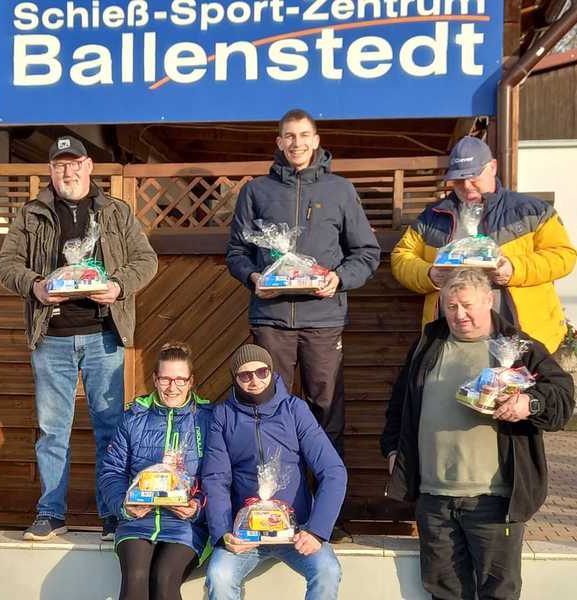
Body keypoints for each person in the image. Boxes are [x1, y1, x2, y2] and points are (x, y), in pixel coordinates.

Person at [0, 135, 157, 541]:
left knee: (110, 428)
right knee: (52, 431)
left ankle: (113, 513)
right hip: (51, 336)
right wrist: (35, 286)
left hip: (104, 335)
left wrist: (118, 286)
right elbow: (6, 263)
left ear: (88, 166)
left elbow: (146, 259)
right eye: (59, 164)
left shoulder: (116, 212)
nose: (67, 171)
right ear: (51, 170)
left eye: (74, 163)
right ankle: (51, 513)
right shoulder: (31, 214)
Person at [381, 268, 574, 600]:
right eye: (451, 306)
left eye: (468, 305)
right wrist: (392, 450)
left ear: (489, 300)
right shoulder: (428, 344)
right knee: (444, 593)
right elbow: (400, 404)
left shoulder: (518, 346)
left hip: (494, 501)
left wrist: (530, 403)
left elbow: (562, 397)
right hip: (434, 499)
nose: (460, 315)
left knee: (498, 593)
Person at [226, 108, 379, 515]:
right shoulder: (256, 191)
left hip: (323, 321)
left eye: (304, 135)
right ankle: (268, 510)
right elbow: (237, 252)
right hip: (271, 320)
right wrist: (253, 277)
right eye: (289, 136)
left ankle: (328, 515)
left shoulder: (340, 190)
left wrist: (339, 279)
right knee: (265, 411)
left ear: (316, 140)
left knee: (326, 414)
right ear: (279, 142)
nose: (297, 143)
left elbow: (366, 253)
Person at [391, 135, 577, 353]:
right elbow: (401, 257)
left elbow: (564, 256)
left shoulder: (533, 211)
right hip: (453, 340)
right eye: (458, 180)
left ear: (493, 167)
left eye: (473, 177)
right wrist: (430, 274)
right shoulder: (431, 217)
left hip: (525, 339)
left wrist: (514, 269)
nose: (466, 186)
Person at [202, 344, 347, 600]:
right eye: (245, 375)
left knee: (327, 571)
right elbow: (215, 479)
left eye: (261, 372)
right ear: (235, 378)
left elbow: (333, 471)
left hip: (296, 530)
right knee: (219, 576)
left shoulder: (294, 409)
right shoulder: (223, 416)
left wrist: (317, 530)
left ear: (271, 371)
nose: (255, 380)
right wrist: (223, 533)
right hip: (245, 533)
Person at [100, 342, 212, 600]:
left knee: (163, 579)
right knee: (135, 578)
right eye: (165, 379)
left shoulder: (207, 419)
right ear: (154, 379)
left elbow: (219, 478)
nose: (172, 387)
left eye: (180, 380)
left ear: (191, 381)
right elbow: (112, 472)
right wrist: (125, 507)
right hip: (138, 520)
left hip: (186, 525)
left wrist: (198, 507)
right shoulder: (134, 417)